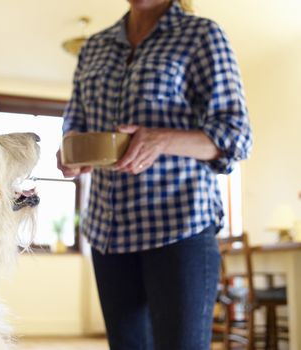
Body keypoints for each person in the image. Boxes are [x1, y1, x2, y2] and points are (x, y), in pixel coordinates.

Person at [56, 0, 252, 349]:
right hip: (108, 233)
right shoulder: (95, 48)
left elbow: (236, 137)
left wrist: (161, 139)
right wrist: (72, 150)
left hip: (180, 228)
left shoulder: (201, 35)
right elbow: (76, 122)